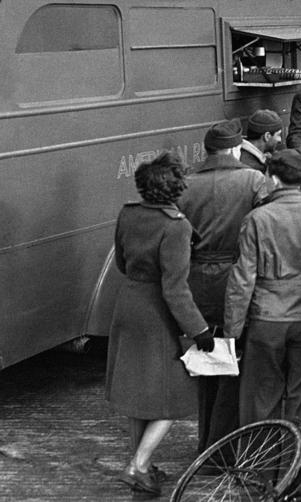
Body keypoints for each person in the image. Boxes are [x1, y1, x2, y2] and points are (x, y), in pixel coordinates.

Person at [106, 152, 214, 497]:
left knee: (139, 393)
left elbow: (121, 263)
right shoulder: (177, 226)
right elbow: (175, 289)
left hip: (128, 305)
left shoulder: (128, 214)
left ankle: (144, 466)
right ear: (177, 188)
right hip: (156, 314)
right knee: (173, 398)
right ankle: (137, 465)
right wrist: (200, 331)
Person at [224, 150, 301, 430]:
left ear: (274, 179)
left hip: (267, 320)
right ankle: (296, 470)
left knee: (261, 399)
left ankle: (259, 470)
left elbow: (243, 280)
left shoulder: (257, 219)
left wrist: (232, 331)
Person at [176, 120, 269, 452]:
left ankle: (205, 442)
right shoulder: (254, 180)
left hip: (196, 280)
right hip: (236, 278)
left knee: (206, 363)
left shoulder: (185, 183)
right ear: (236, 149)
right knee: (234, 365)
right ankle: (223, 448)